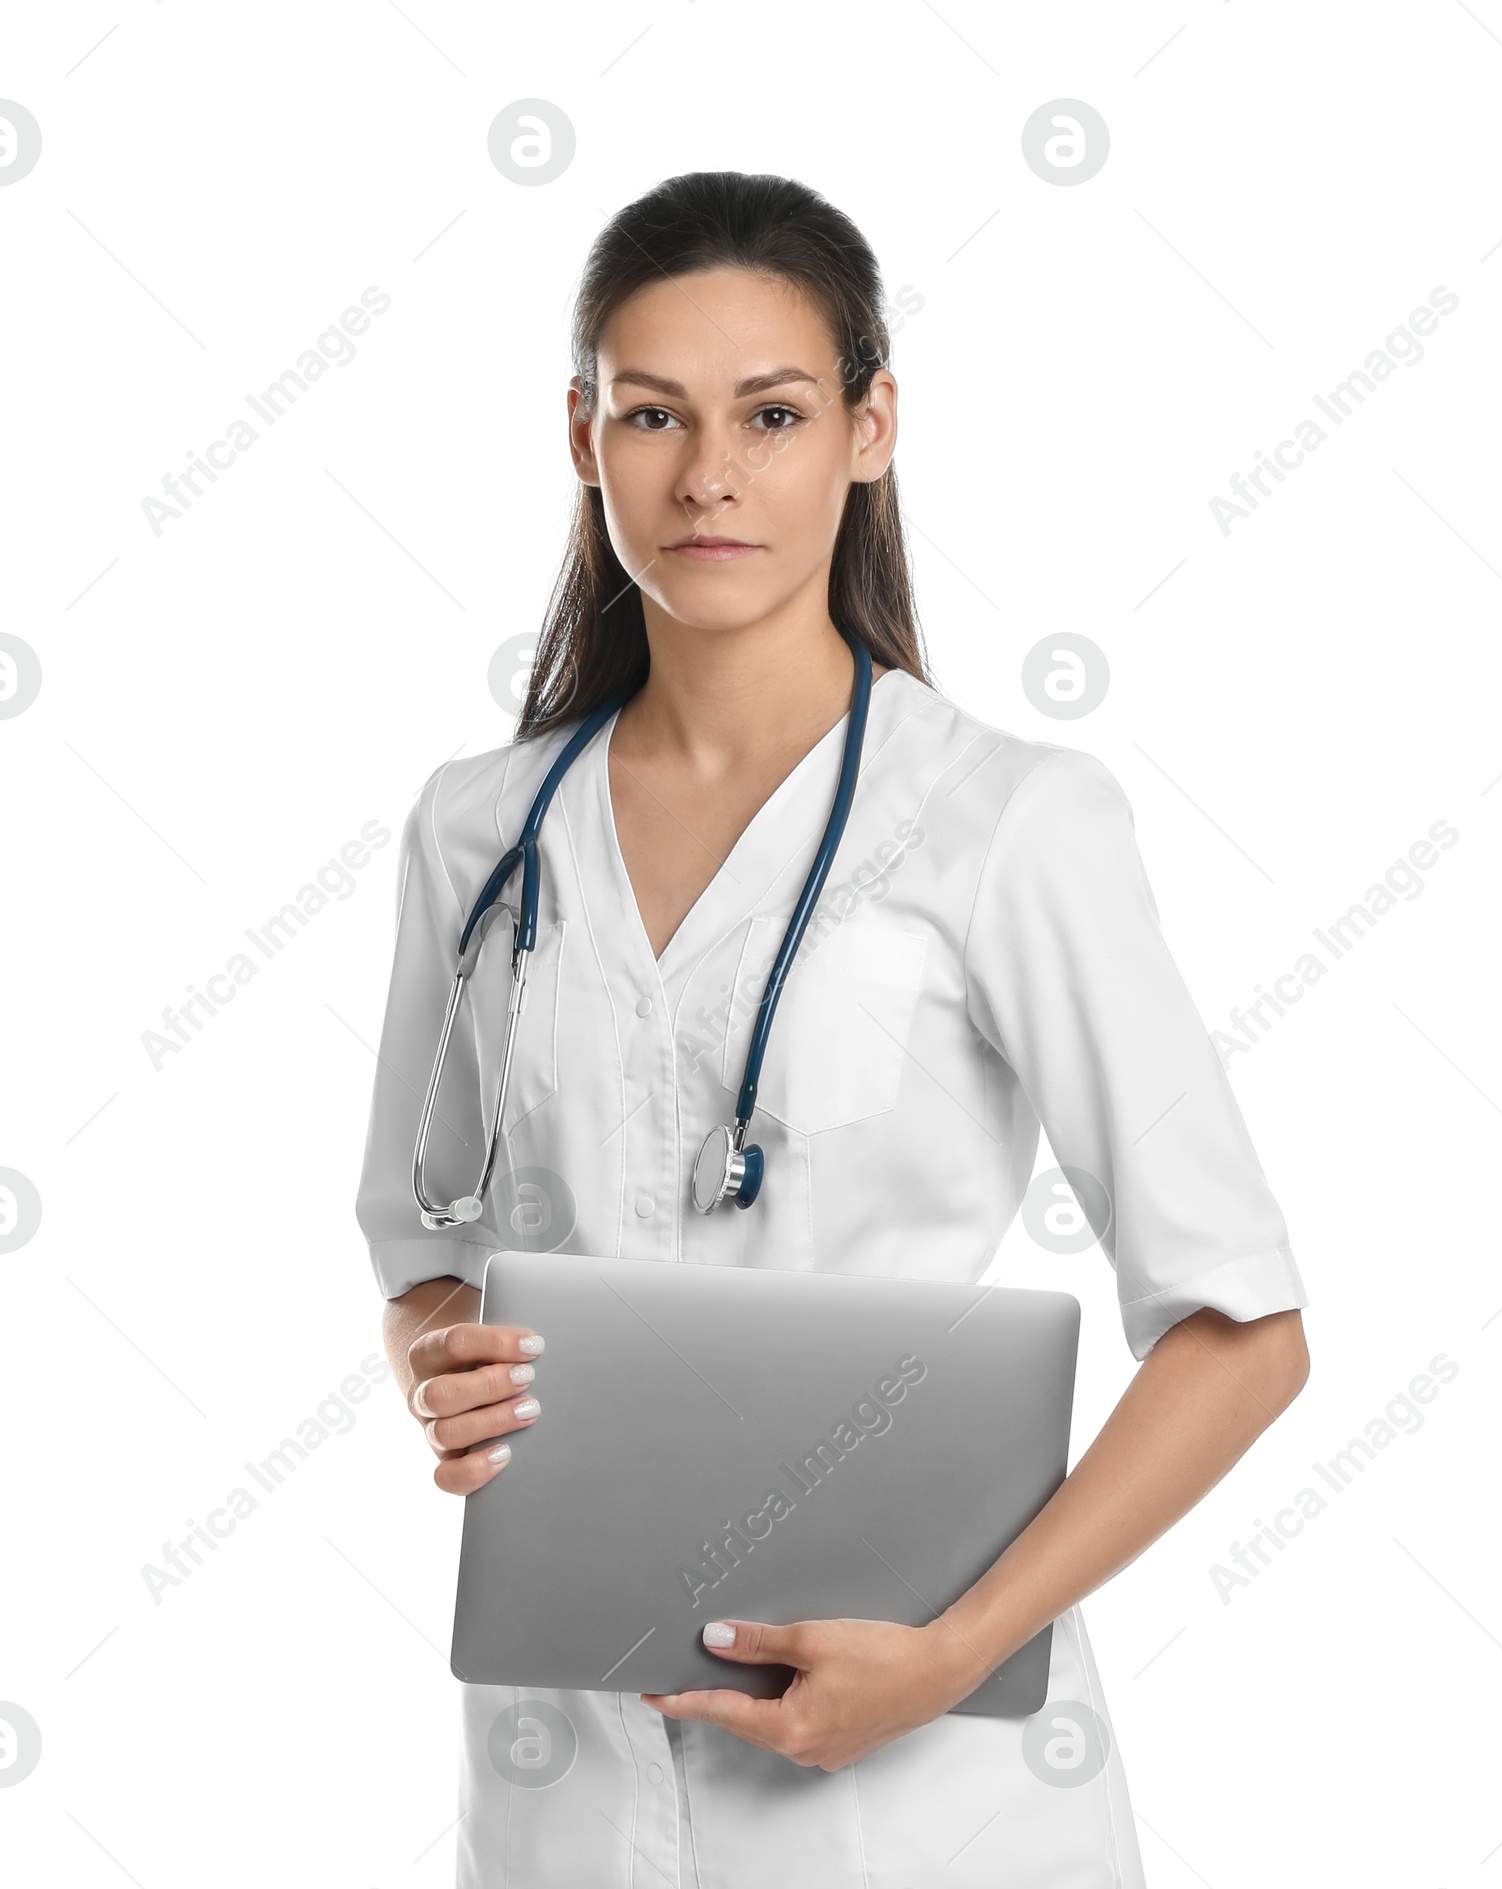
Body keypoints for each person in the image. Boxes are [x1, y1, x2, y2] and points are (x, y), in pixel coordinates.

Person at [356, 169, 1311, 1889]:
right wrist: (439, 1358)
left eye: (773, 414)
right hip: (568, 1793)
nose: (709, 474)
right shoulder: (474, 832)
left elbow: (1242, 1327)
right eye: (653, 413)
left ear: (871, 429)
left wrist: (954, 1652)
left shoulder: (1009, 821)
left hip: (923, 1801)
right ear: (582, 436)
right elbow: (426, 1234)